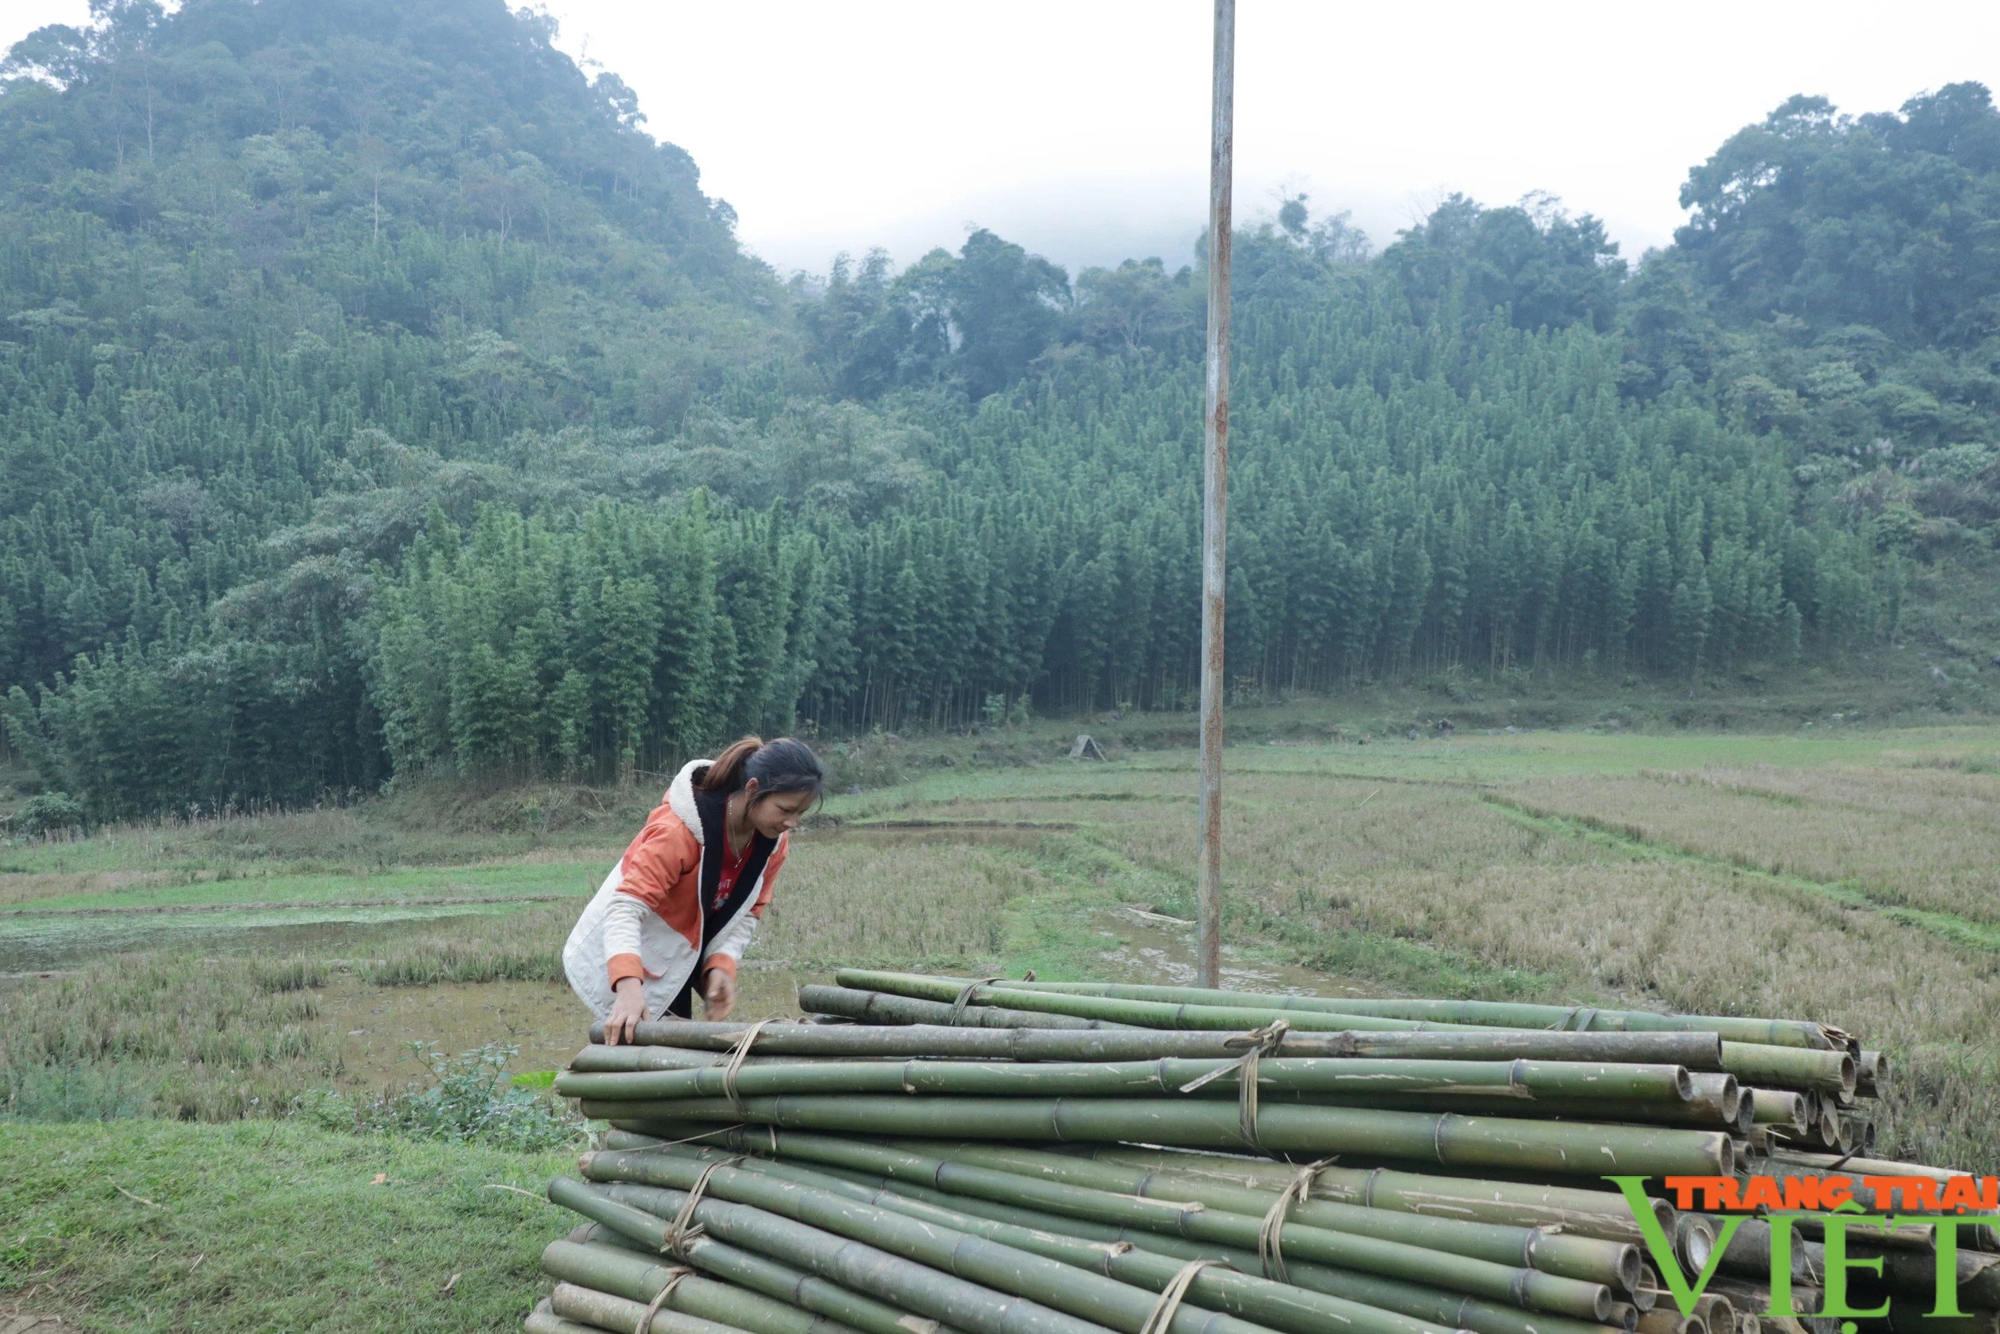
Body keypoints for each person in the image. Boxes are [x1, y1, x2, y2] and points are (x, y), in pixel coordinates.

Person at [563, 736, 823, 1042]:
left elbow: (750, 912)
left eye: (800, 813)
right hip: (630, 952)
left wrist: (720, 966)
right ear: (753, 789)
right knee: (630, 1054)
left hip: (680, 959)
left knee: (667, 1062)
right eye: (785, 809)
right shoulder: (678, 831)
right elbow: (625, 907)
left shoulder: (773, 846)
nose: (792, 822)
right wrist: (628, 985)